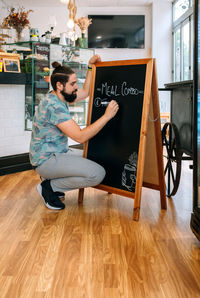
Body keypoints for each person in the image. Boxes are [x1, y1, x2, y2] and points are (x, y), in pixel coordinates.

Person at [29, 54, 119, 210]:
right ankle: (49, 186)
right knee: (97, 174)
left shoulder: (59, 96)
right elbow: (80, 137)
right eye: (73, 83)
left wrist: (90, 67)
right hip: (46, 160)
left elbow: (85, 91)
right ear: (59, 85)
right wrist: (107, 116)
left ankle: (50, 180)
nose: (76, 87)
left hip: (58, 152)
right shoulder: (53, 106)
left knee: (98, 159)